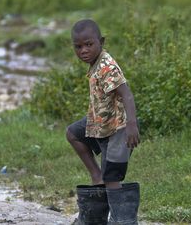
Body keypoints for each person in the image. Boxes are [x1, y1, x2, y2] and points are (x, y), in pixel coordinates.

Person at [66, 19, 140, 225]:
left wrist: (132, 125)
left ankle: (122, 220)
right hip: (100, 123)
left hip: (119, 127)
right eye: (78, 47)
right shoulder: (94, 65)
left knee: (112, 176)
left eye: (89, 44)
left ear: (101, 41)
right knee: (73, 133)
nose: (83, 50)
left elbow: (127, 95)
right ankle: (95, 188)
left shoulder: (107, 66)